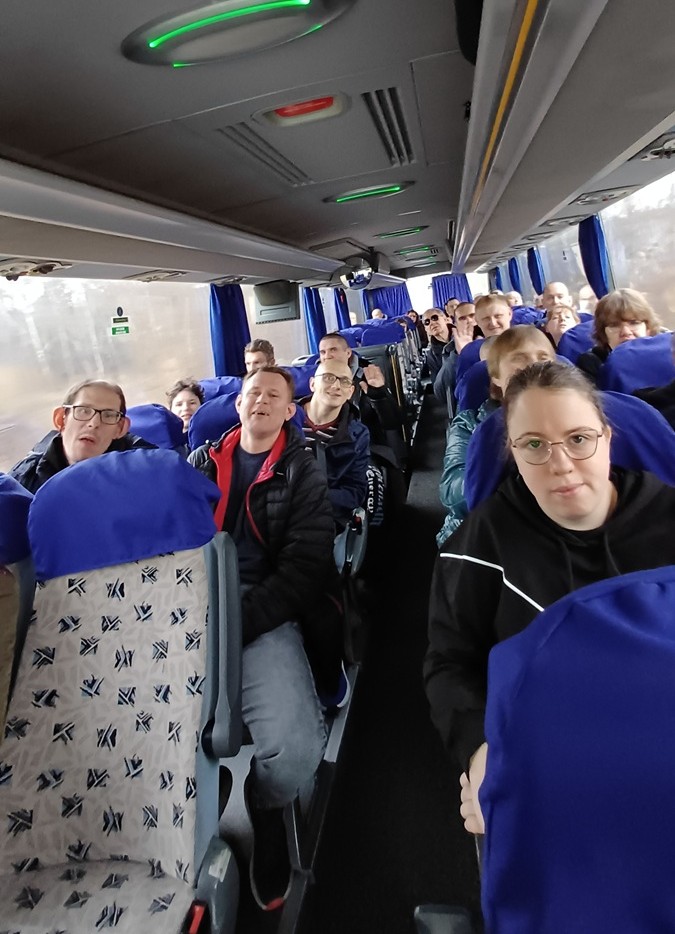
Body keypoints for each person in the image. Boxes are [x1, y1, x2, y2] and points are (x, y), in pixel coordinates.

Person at [425, 361, 675, 836]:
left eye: (578, 439)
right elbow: (449, 662)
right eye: (534, 445)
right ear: (512, 452)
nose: (560, 464)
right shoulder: (480, 547)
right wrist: (480, 752)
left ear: (607, 437)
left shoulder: (668, 517)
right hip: (553, 767)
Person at [189, 366, 344, 910]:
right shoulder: (201, 462)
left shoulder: (304, 472)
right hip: (193, 607)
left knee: (297, 751)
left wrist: (233, 628)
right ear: (237, 405)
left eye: (273, 395)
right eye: (252, 392)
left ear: (288, 410)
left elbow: (302, 573)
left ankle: (266, 801)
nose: (260, 400)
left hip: (264, 609)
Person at [437, 326, 555, 545]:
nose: (534, 365)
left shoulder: (570, 420)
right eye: (519, 358)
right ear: (496, 377)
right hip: (481, 531)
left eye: (543, 357)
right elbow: (452, 492)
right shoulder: (468, 424)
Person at [9, 379, 153, 494]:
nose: (94, 423)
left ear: (120, 429)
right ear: (61, 419)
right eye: (83, 411)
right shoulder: (24, 483)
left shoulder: (146, 470)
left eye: (108, 415)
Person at [300, 361, 370, 528]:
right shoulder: (284, 418)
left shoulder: (357, 434)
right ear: (312, 384)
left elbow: (355, 492)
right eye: (328, 378)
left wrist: (313, 498)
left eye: (344, 381)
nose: (337, 386)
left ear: (350, 392)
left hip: (322, 515)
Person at [576, 288, 662, 383]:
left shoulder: (667, 353)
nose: (625, 332)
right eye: (614, 325)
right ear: (603, 333)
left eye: (634, 323)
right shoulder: (592, 362)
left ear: (648, 328)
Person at [433, 302, 477, 413]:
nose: (469, 320)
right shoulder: (450, 350)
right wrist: (459, 355)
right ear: (455, 324)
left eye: (472, 315)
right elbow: (441, 393)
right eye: (462, 318)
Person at [421, 308, 452, 382]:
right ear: (426, 329)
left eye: (434, 318)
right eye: (427, 322)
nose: (432, 323)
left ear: (445, 319)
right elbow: (437, 384)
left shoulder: (464, 336)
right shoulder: (432, 355)